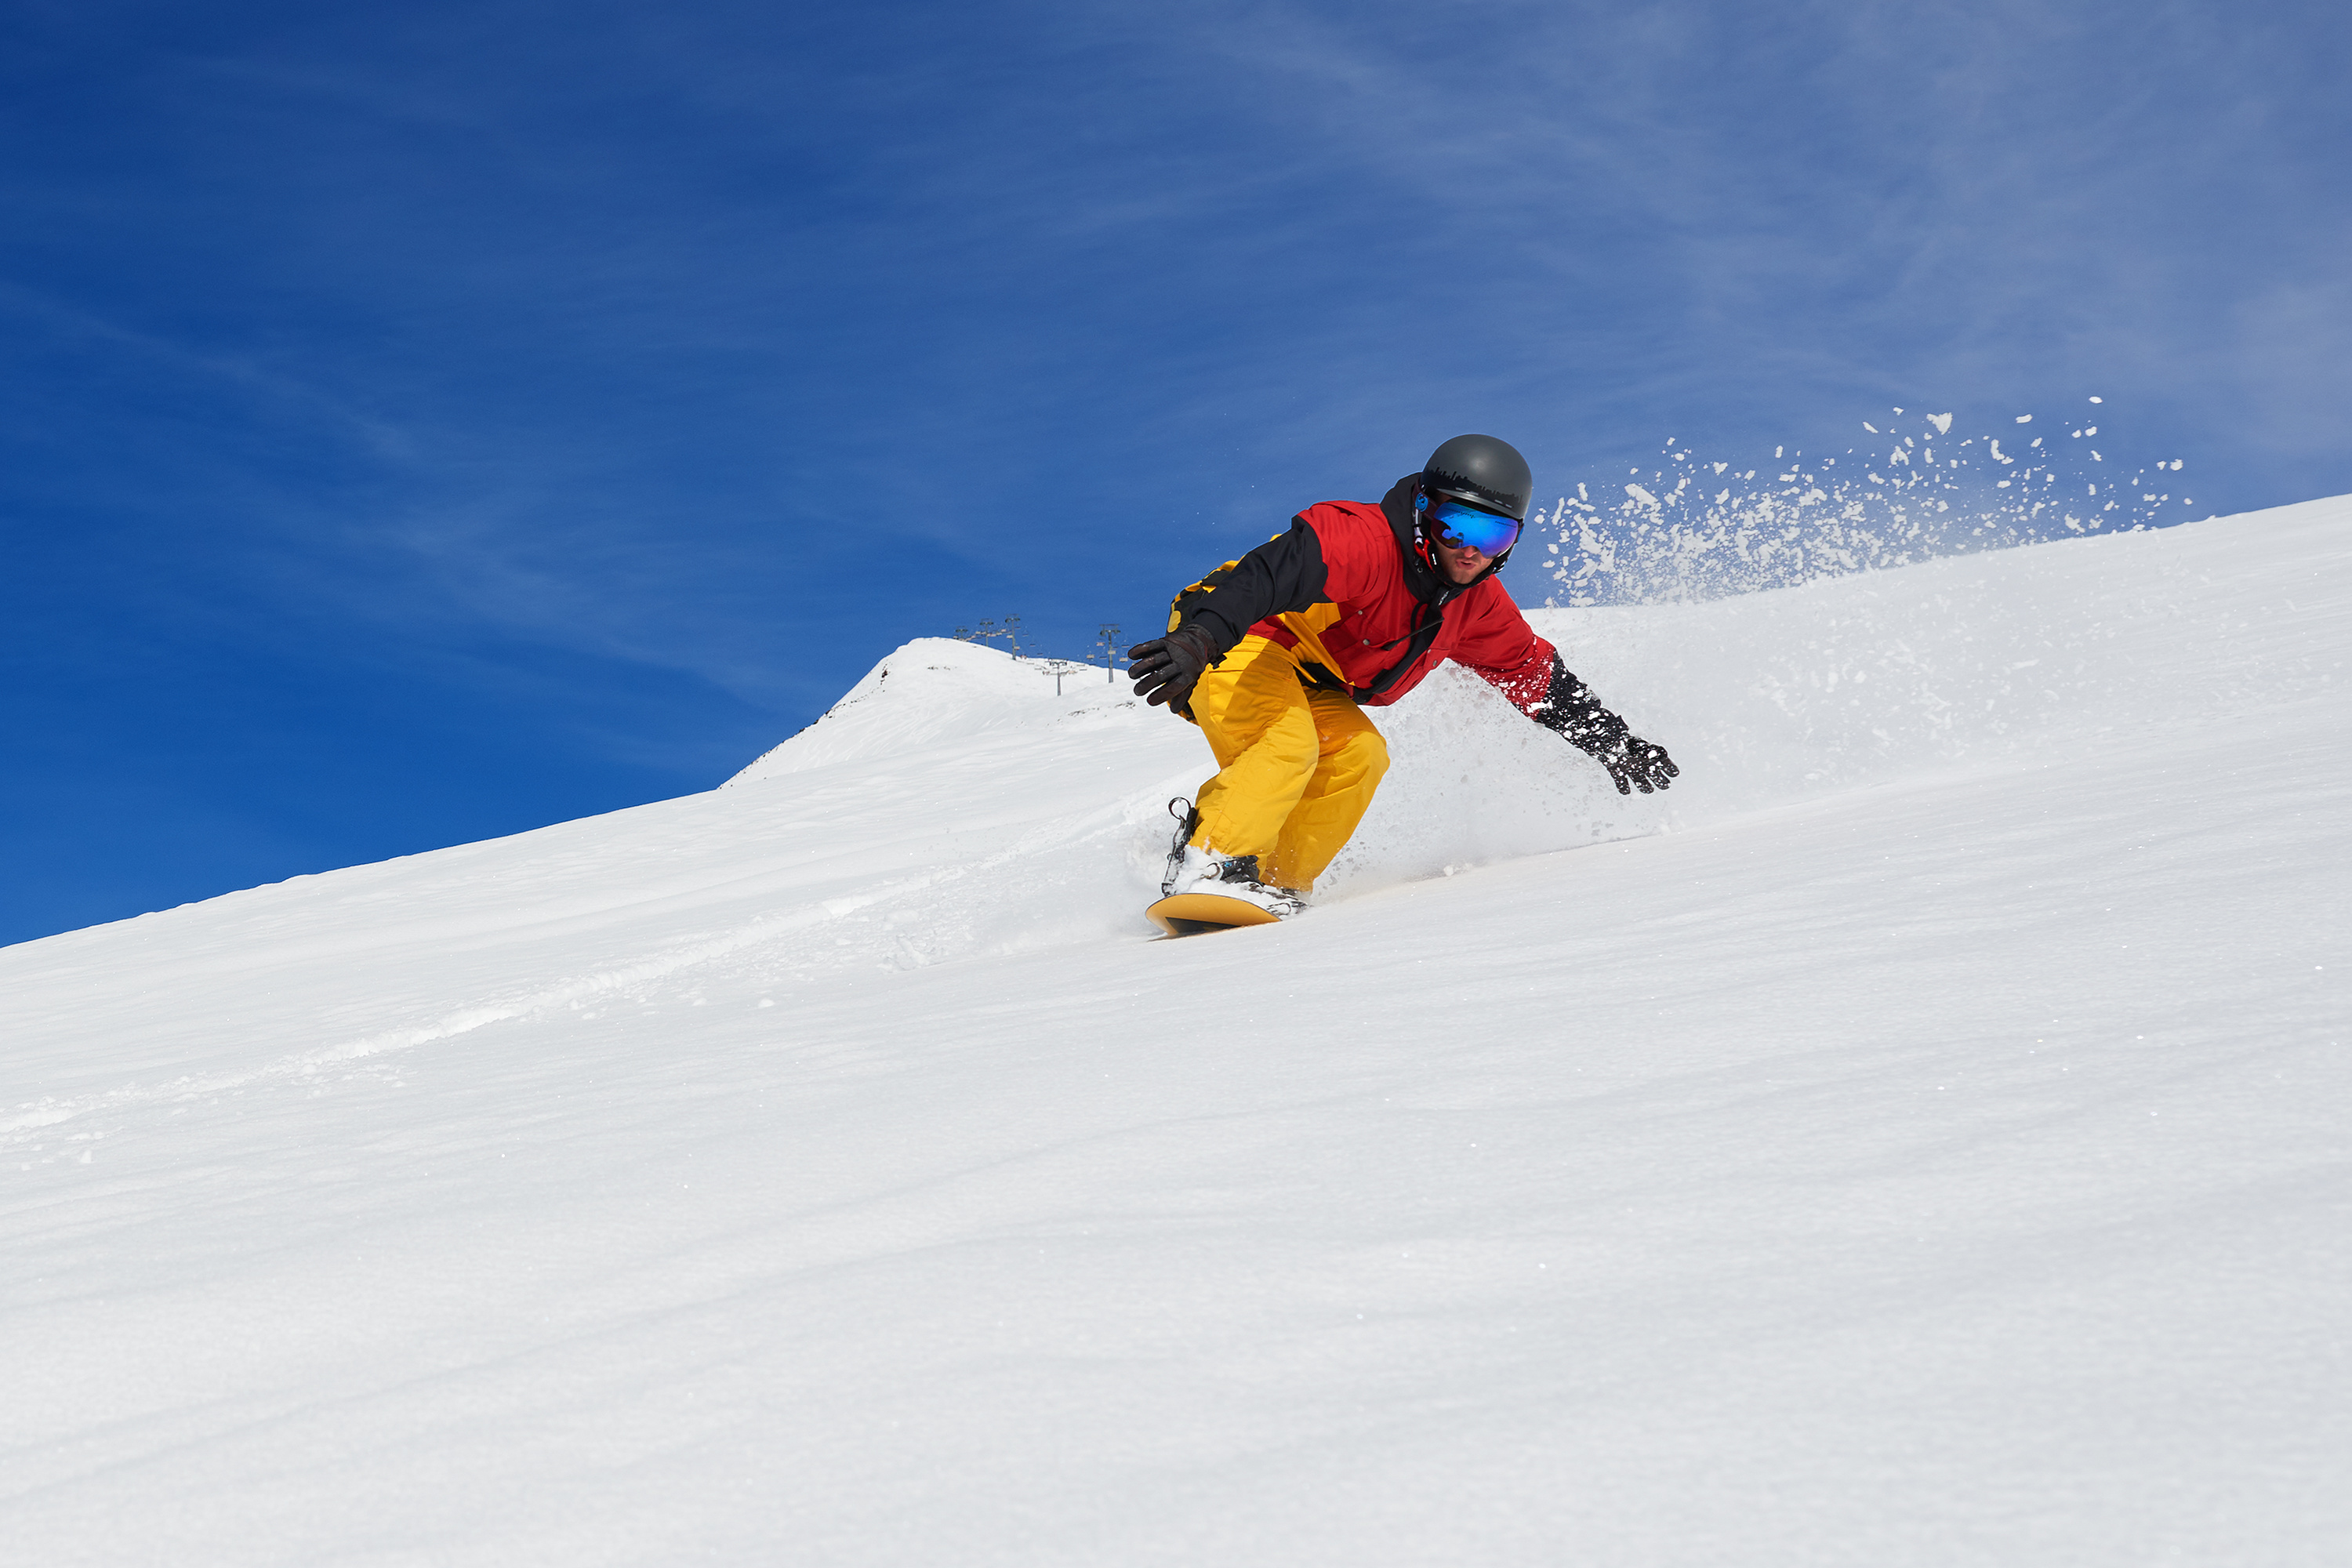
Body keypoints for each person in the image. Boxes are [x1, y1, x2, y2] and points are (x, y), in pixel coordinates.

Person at [1127, 434, 1678, 916]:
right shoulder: (1364, 541)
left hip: (1312, 674)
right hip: (1242, 635)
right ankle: (1210, 862)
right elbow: (1266, 578)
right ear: (1424, 511)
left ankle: (1275, 884)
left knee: (1359, 755)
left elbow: (1540, 681)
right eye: (1456, 526)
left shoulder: (1479, 608)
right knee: (1286, 743)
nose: (1469, 551)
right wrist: (1200, 638)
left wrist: (1614, 744)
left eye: (1493, 538)